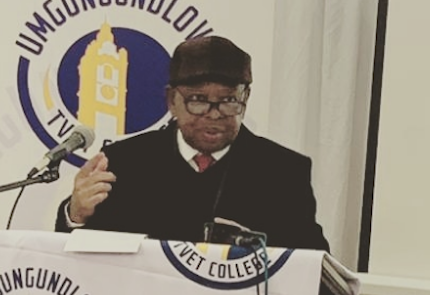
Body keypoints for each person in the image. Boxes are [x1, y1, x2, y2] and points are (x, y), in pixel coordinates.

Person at [55, 35, 329, 253]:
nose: (214, 114)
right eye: (198, 100)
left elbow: (313, 268)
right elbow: (82, 262)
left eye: (228, 100)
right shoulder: (125, 163)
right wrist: (76, 215)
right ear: (171, 100)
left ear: (245, 98)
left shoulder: (283, 172)